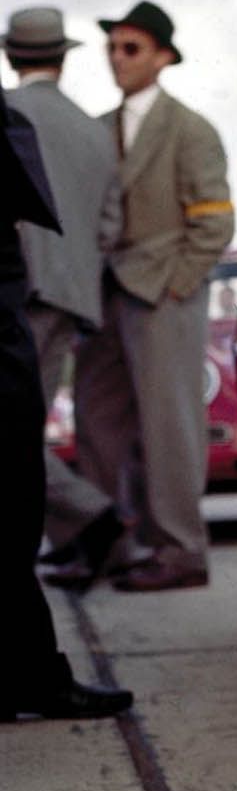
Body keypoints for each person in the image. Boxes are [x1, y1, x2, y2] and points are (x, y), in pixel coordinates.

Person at [72, 1, 234, 592]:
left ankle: (181, 551)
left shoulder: (190, 129)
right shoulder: (96, 129)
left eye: (131, 48)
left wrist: (176, 286)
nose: (117, 58)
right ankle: (106, 544)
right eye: (112, 48)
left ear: (163, 57)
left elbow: (215, 222)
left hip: (163, 295)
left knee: (169, 428)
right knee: (95, 420)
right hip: (103, 294)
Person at [0, 76, 134, 720]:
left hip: (25, 299)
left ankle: (27, 673)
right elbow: (107, 223)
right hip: (44, 299)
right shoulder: (89, 128)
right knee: (13, 476)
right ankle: (29, 674)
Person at [3, 8, 128, 591]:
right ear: (62, 56)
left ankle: (95, 519)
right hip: (70, 294)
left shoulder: (10, 111)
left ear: (10, 55)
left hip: (19, 289)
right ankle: (82, 532)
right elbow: (109, 226)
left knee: (14, 432)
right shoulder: (94, 130)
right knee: (23, 426)